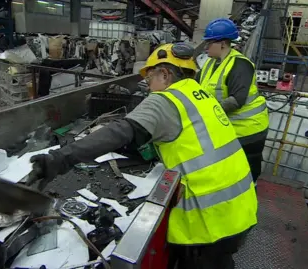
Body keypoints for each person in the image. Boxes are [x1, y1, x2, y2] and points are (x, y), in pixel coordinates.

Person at [27, 43, 257, 269]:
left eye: (150, 80)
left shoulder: (167, 99)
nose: (148, 88)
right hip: (241, 206)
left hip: (209, 220)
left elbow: (120, 131)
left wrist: (58, 159)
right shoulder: (202, 95)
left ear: (165, 75)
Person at [198, 18, 269, 184]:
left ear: (222, 44)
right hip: (229, 128)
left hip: (248, 130)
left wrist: (205, 113)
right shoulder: (210, 64)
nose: (205, 47)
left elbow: (236, 100)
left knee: (245, 174)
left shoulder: (240, 65)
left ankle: (248, 196)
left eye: (209, 43)